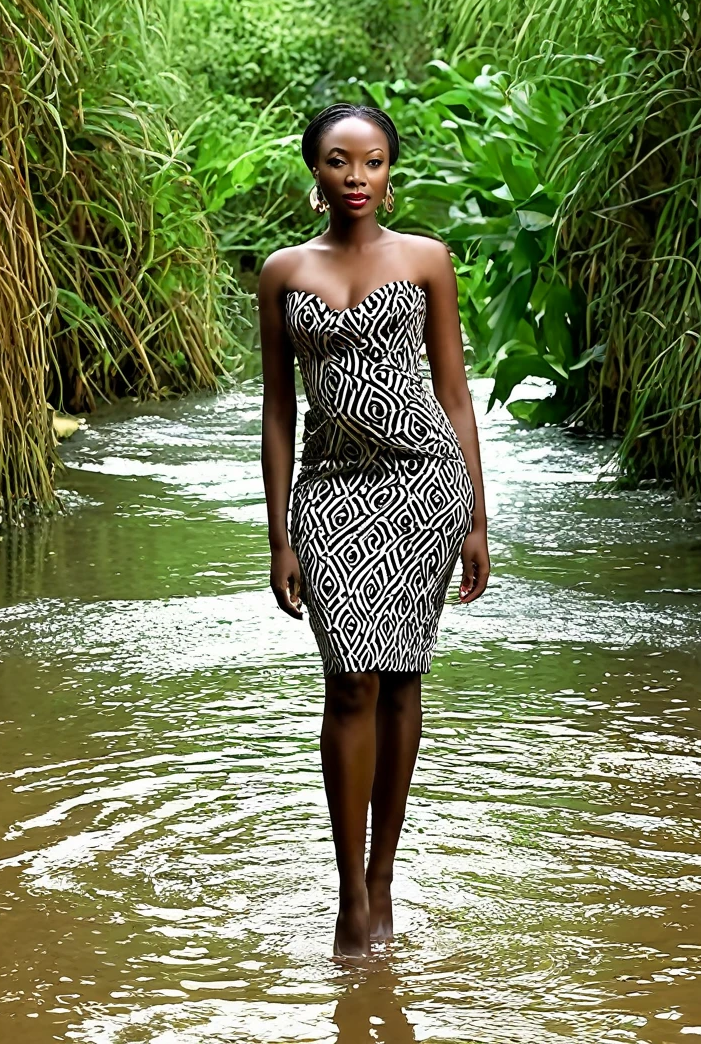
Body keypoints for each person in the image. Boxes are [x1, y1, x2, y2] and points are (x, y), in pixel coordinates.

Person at [258, 102, 490, 959]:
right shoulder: (282, 272)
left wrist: (475, 516)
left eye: (373, 162)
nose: (357, 177)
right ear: (313, 171)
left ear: (391, 171)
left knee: (400, 682)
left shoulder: (427, 259)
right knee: (347, 683)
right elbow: (279, 411)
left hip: (425, 488)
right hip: (328, 492)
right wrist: (281, 533)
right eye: (338, 161)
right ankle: (349, 892)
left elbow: (455, 394)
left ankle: (384, 875)